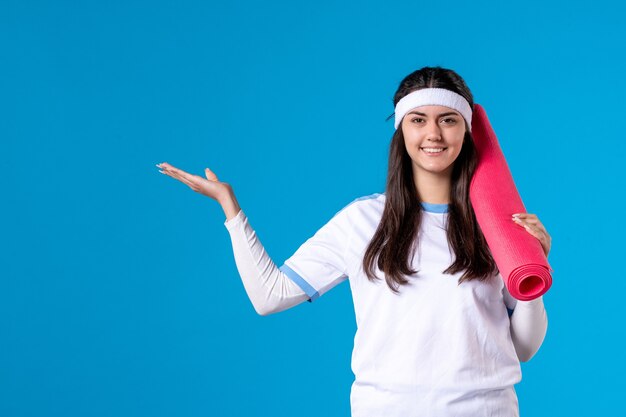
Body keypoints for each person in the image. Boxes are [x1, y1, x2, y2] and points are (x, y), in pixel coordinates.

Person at [157, 66, 550, 417]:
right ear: (401, 130)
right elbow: (269, 295)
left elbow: (523, 349)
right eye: (418, 120)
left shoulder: (497, 225)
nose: (433, 134)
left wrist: (534, 271)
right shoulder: (362, 221)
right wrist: (230, 208)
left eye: (448, 120)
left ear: (466, 130)